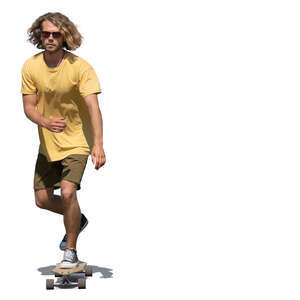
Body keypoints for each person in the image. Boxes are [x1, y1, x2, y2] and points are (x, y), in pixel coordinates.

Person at [21, 12, 106, 268]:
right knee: (42, 200)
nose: (50, 38)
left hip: (77, 141)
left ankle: (70, 251)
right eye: (45, 33)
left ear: (65, 36)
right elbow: (28, 106)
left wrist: (98, 144)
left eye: (55, 34)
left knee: (68, 193)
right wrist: (45, 122)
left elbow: (93, 107)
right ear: (39, 35)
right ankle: (77, 219)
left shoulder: (80, 67)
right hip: (48, 143)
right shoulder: (30, 66)